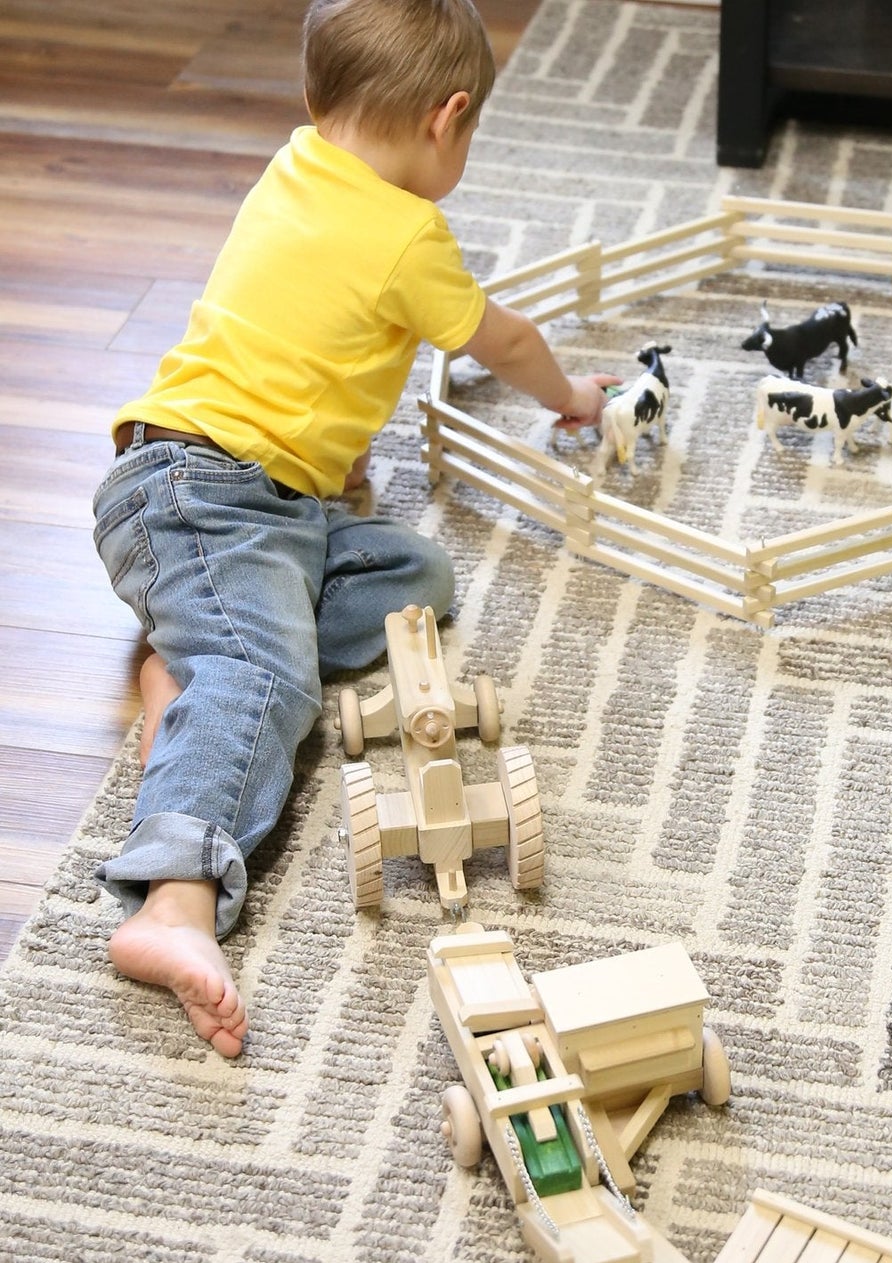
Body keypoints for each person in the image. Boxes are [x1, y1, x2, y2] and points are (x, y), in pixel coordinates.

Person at [91, 0, 612, 1059]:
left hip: (234, 496)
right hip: (197, 493)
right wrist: (577, 398)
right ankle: (174, 899)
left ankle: (194, 658)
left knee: (413, 572)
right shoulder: (411, 235)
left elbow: (296, 333)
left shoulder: (295, 163)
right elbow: (501, 340)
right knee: (277, 685)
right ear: (448, 118)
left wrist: (331, 456)